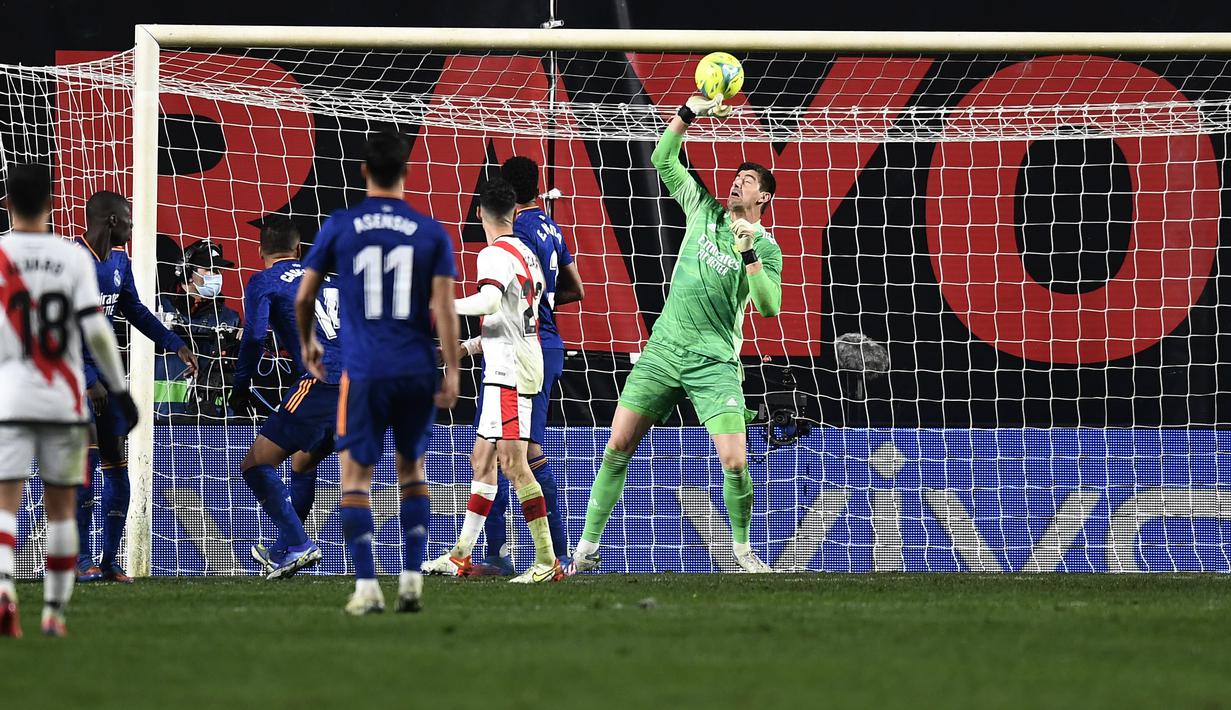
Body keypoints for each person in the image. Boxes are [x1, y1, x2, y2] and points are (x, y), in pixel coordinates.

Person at [570, 94, 783, 574]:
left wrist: (749, 253)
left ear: (763, 198)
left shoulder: (768, 248)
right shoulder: (704, 210)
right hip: (663, 351)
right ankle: (585, 550)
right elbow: (662, 158)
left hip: (715, 364)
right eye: (735, 178)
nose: (735, 184)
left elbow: (769, 308)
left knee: (734, 462)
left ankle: (743, 551)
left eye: (746, 181)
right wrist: (690, 111)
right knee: (617, 447)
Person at [296, 129, 460, 615]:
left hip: (364, 370)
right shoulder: (431, 231)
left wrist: (307, 341)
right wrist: (450, 369)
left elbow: (305, 296)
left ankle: (367, 586)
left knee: (356, 478)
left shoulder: (341, 226)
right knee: (412, 471)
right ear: (406, 173)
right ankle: (411, 580)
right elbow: (446, 310)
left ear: (364, 171)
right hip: (414, 369)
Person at [0, 164, 139, 636]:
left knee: (7, 503)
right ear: (52, 205)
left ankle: (7, 587)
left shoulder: (1, 253)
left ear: (7, 204)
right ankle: (55, 614)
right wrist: (116, 387)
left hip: (12, 391)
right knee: (62, 503)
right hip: (65, 395)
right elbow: (95, 332)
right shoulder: (70, 259)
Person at [420, 178, 560, 584]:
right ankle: (461, 554)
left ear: (479, 213)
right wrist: (466, 348)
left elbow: (490, 302)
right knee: (482, 460)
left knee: (514, 465)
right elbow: (515, 319)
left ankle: (547, 561)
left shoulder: (494, 253)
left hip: (511, 371)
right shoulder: (527, 253)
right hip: (511, 361)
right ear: (515, 213)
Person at [454, 156, 584, 576]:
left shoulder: (512, 237)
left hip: (519, 351)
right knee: (488, 454)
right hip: (535, 343)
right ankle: (476, 554)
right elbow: (574, 288)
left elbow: (495, 300)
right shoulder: (549, 226)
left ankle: (550, 556)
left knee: (518, 455)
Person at [73, 191, 198, 584]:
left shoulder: (119, 262)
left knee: (117, 472)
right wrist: (88, 380)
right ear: (111, 221)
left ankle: (110, 560)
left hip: (106, 383)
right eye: (127, 218)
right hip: (72, 380)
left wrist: (174, 343)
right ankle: (78, 559)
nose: (132, 225)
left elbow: (136, 310)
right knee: (85, 469)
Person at [230, 216, 343, 579]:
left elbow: (254, 336)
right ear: (298, 249)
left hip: (319, 383)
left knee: (254, 465)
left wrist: (241, 383)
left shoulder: (264, 281)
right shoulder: (329, 280)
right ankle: (284, 551)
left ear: (260, 250)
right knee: (301, 464)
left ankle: (299, 544)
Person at [159, 240, 240, 418]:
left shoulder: (231, 319)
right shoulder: (158, 307)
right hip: (159, 419)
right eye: (209, 270)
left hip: (214, 421)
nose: (216, 276)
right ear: (187, 273)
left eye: (218, 271)